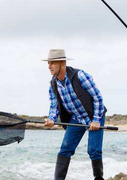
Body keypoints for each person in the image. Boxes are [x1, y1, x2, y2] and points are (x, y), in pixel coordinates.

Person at [42, 49, 106, 180]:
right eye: (48, 63)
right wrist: (51, 119)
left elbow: (97, 97)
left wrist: (96, 120)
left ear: (62, 63)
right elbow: (54, 106)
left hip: (93, 116)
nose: (49, 66)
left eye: (52, 63)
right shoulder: (53, 84)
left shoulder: (80, 76)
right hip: (76, 118)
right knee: (65, 150)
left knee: (94, 151)